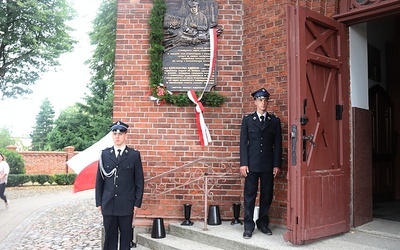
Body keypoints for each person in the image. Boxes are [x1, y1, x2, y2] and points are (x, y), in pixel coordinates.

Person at [239, 88, 282, 239]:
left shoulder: (274, 121)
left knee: (266, 195)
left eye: (265, 100)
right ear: (255, 102)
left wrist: (276, 164)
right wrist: (243, 163)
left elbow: (278, 145)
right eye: (260, 100)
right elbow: (243, 143)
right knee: (249, 195)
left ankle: (263, 223)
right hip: (251, 164)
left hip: (268, 165)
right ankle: (248, 226)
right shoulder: (248, 120)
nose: (263, 103)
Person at [95, 120, 144, 250]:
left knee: (126, 237)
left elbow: (139, 181)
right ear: (112, 135)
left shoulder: (134, 155)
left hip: (126, 204)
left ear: (125, 135)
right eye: (115, 133)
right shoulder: (104, 154)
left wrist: (137, 203)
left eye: (120, 134)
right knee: (110, 237)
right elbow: (99, 180)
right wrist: (99, 202)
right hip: (108, 203)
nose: (117, 136)